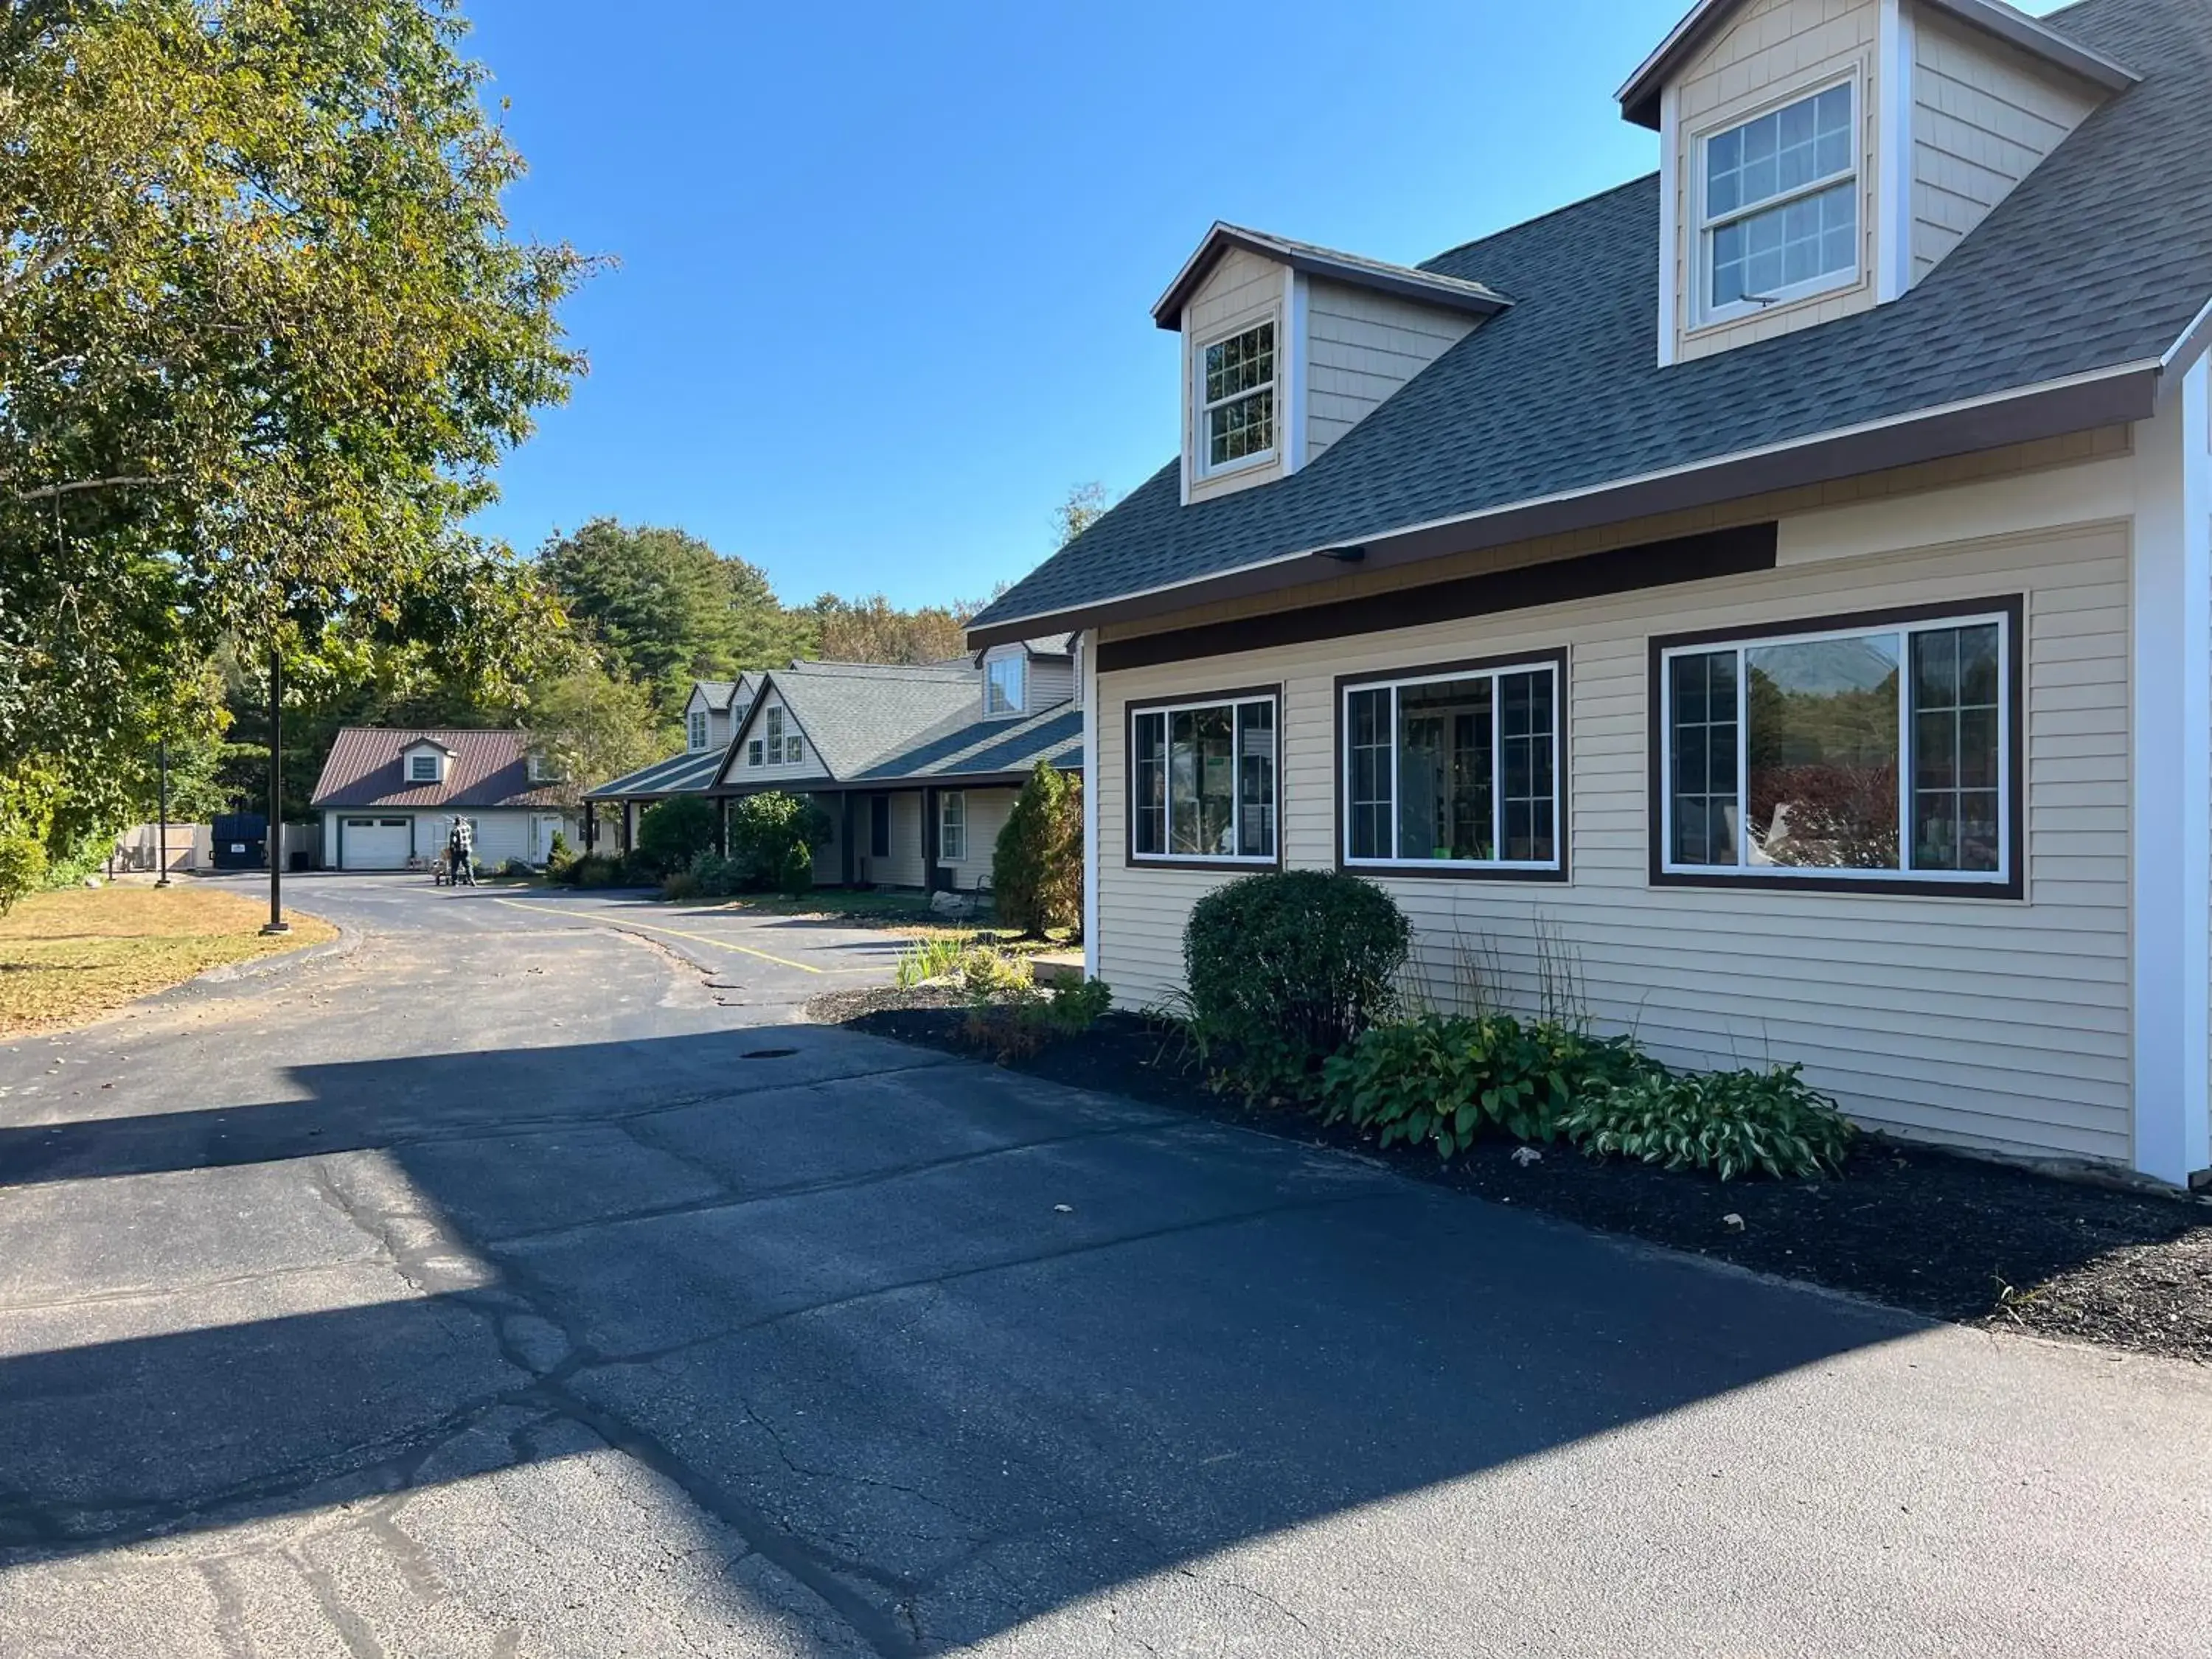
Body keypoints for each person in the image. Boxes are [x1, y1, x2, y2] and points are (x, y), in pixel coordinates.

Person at [445, 818, 475, 887]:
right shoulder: (467, 828)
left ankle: (455, 881)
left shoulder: (455, 830)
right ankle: (471, 880)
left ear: (455, 823)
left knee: (454, 867)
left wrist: (452, 849)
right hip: (466, 849)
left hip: (457, 850)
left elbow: (453, 840)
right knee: (468, 866)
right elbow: (467, 825)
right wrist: (464, 821)